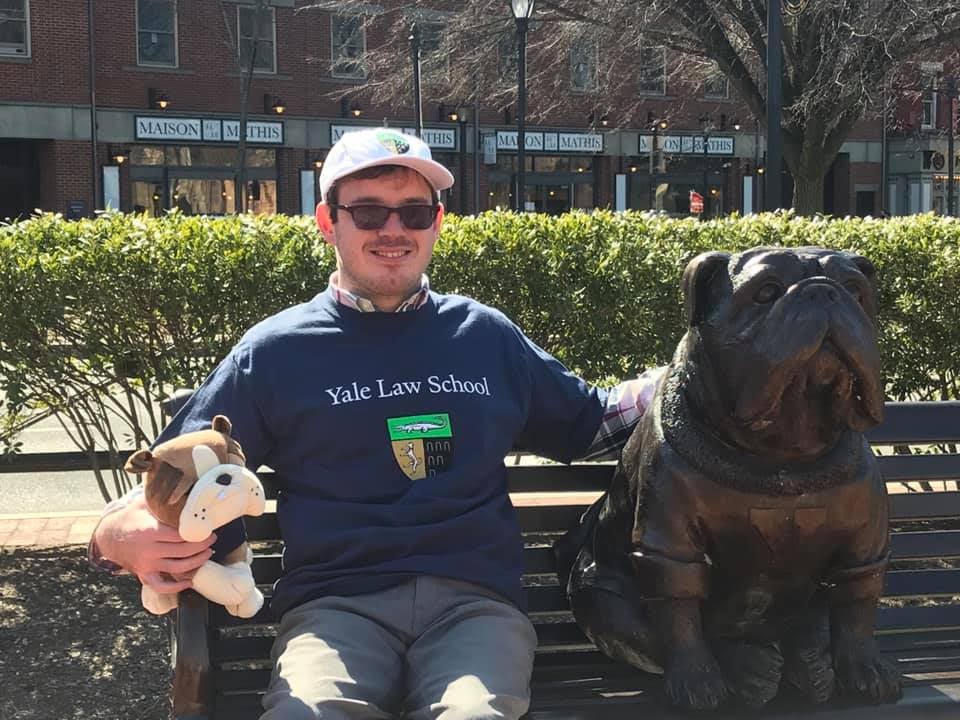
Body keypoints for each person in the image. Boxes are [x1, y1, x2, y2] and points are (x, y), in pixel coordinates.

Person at [90, 128, 660, 720]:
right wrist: (111, 534)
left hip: (476, 607)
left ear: (437, 222)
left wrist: (693, 375)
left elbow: (592, 422)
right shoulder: (276, 350)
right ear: (327, 221)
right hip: (336, 610)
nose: (394, 230)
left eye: (414, 212)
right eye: (367, 211)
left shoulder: (485, 335)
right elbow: (178, 471)